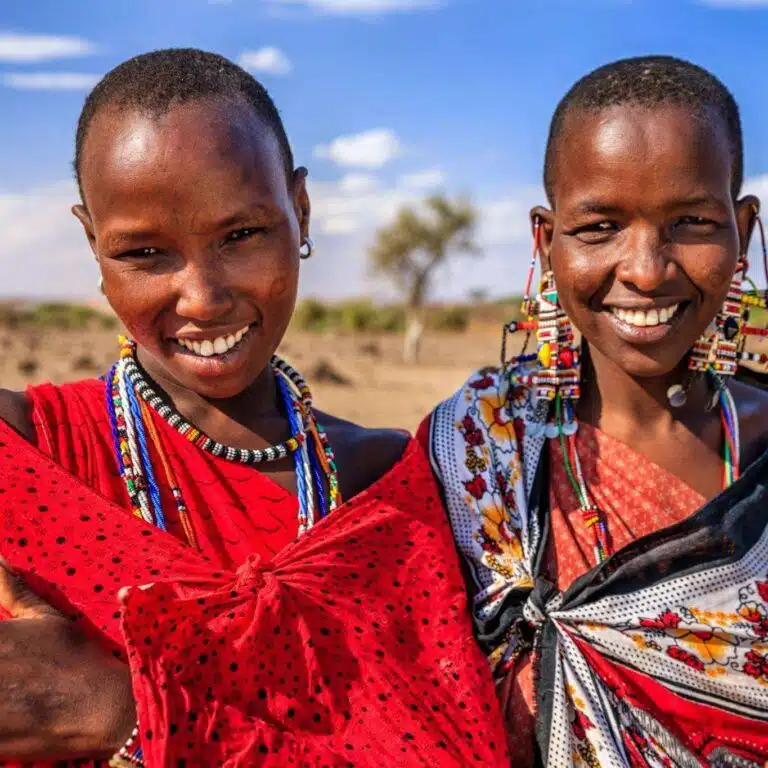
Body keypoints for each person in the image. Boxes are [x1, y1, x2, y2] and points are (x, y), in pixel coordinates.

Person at [0, 49, 508, 766]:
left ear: (298, 212)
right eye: (144, 253)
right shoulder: (30, 456)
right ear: (94, 243)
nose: (203, 297)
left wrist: (125, 716)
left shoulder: (389, 482)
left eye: (241, 236)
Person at [420, 55, 768, 766]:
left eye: (691, 222)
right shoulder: (479, 451)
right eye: (601, 226)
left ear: (742, 230)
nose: (645, 268)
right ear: (546, 243)